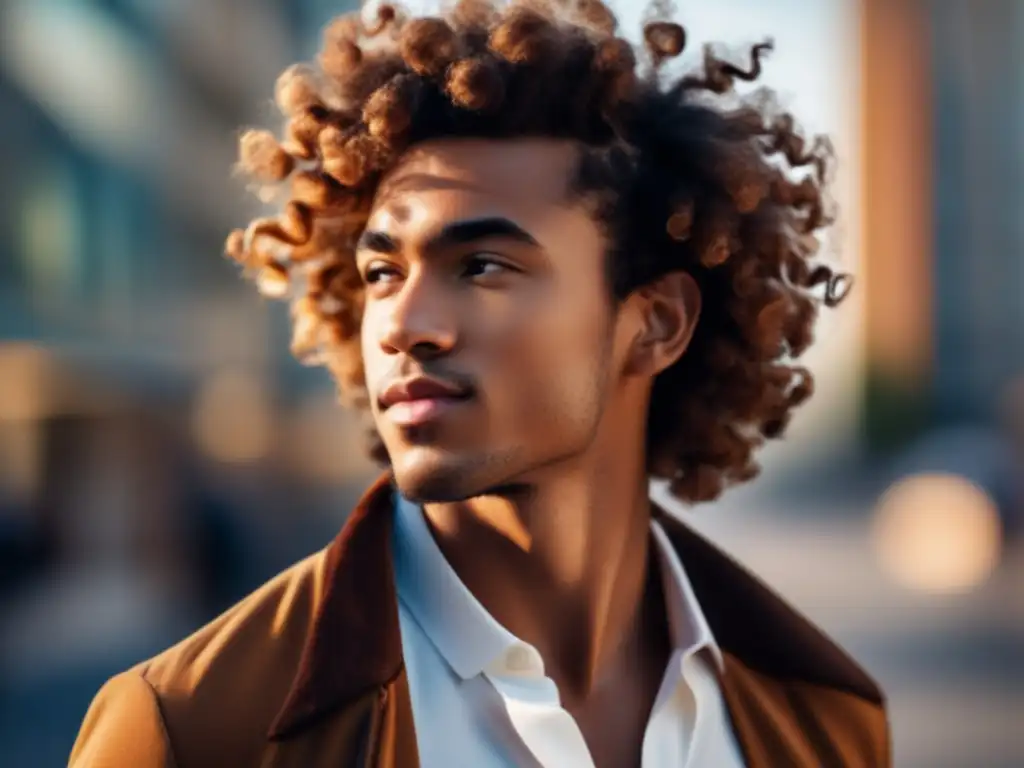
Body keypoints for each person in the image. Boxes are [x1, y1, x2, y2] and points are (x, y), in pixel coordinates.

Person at [69, 0, 889, 765]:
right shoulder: (193, 729)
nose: (403, 323)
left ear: (656, 323)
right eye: (383, 271)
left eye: (484, 265)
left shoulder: (824, 718)